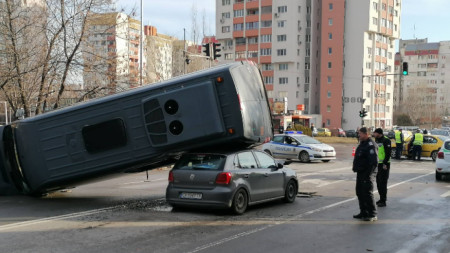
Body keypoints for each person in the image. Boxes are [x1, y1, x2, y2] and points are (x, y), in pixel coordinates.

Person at [352, 127, 378, 221]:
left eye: (360, 134)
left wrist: (368, 174)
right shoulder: (362, 144)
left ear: (366, 134)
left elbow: (374, 162)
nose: (359, 135)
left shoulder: (371, 145)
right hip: (361, 172)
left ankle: (372, 214)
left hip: (367, 174)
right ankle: (364, 212)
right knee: (359, 192)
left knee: (367, 193)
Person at [373, 128, 391, 207]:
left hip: (384, 164)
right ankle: (381, 198)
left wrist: (385, 163)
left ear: (379, 133)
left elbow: (388, 153)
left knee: (383, 182)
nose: (374, 134)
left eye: (375, 133)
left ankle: (383, 200)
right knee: (378, 182)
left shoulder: (386, 140)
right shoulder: (376, 139)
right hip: (378, 164)